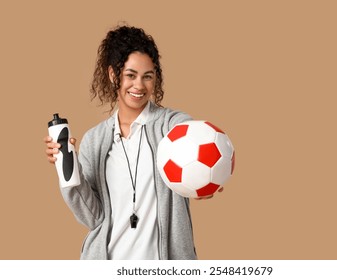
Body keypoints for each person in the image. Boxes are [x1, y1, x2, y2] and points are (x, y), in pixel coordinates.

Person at [43, 24, 222, 260]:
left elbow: (195, 138)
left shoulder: (171, 126)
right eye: (130, 75)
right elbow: (92, 218)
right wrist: (68, 170)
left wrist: (204, 180)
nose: (139, 85)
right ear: (113, 75)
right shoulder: (94, 141)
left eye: (147, 76)